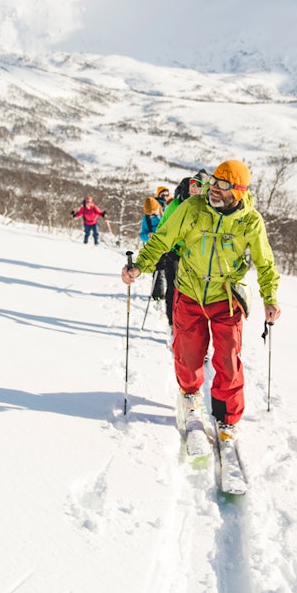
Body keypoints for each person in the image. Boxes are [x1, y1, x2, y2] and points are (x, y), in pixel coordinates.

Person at [120, 160, 281, 440]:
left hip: (226, 297)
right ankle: (190, 396)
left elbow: (265, 262)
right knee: (188, 354)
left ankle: (226, 418)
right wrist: (140, 265)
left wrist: (271, 297)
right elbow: (161, 239)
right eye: (215, 181)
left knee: (228, 360)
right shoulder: (194, 208)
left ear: (239, 192)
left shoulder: (250, 222)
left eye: (223, 185)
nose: (214, 188)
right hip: (189, 291)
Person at [155, 170, 206, 327]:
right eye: (192, 183)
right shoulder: (176, 204)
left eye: (198, 185)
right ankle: (172, 323)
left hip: (196, 257)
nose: (194, 187)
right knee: (174, 289)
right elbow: (163, 227)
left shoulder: (207, 205)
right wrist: (161, 249)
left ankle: (191, 327)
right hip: (175, 253)